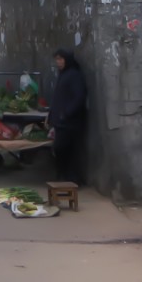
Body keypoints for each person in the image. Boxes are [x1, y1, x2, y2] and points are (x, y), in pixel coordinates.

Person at [48, 48, 89, 183]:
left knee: (64, 150)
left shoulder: (74, 75)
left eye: (61, 59)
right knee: (61, 150)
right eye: (57, 59)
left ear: (67, 60)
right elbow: (58, 97)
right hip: (61, 121)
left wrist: (65, 114)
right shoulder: (63, 74)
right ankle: (63, 177)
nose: (58, 62)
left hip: (70, 122)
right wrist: (51, 115)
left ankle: (70, 179)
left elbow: (79, 98)